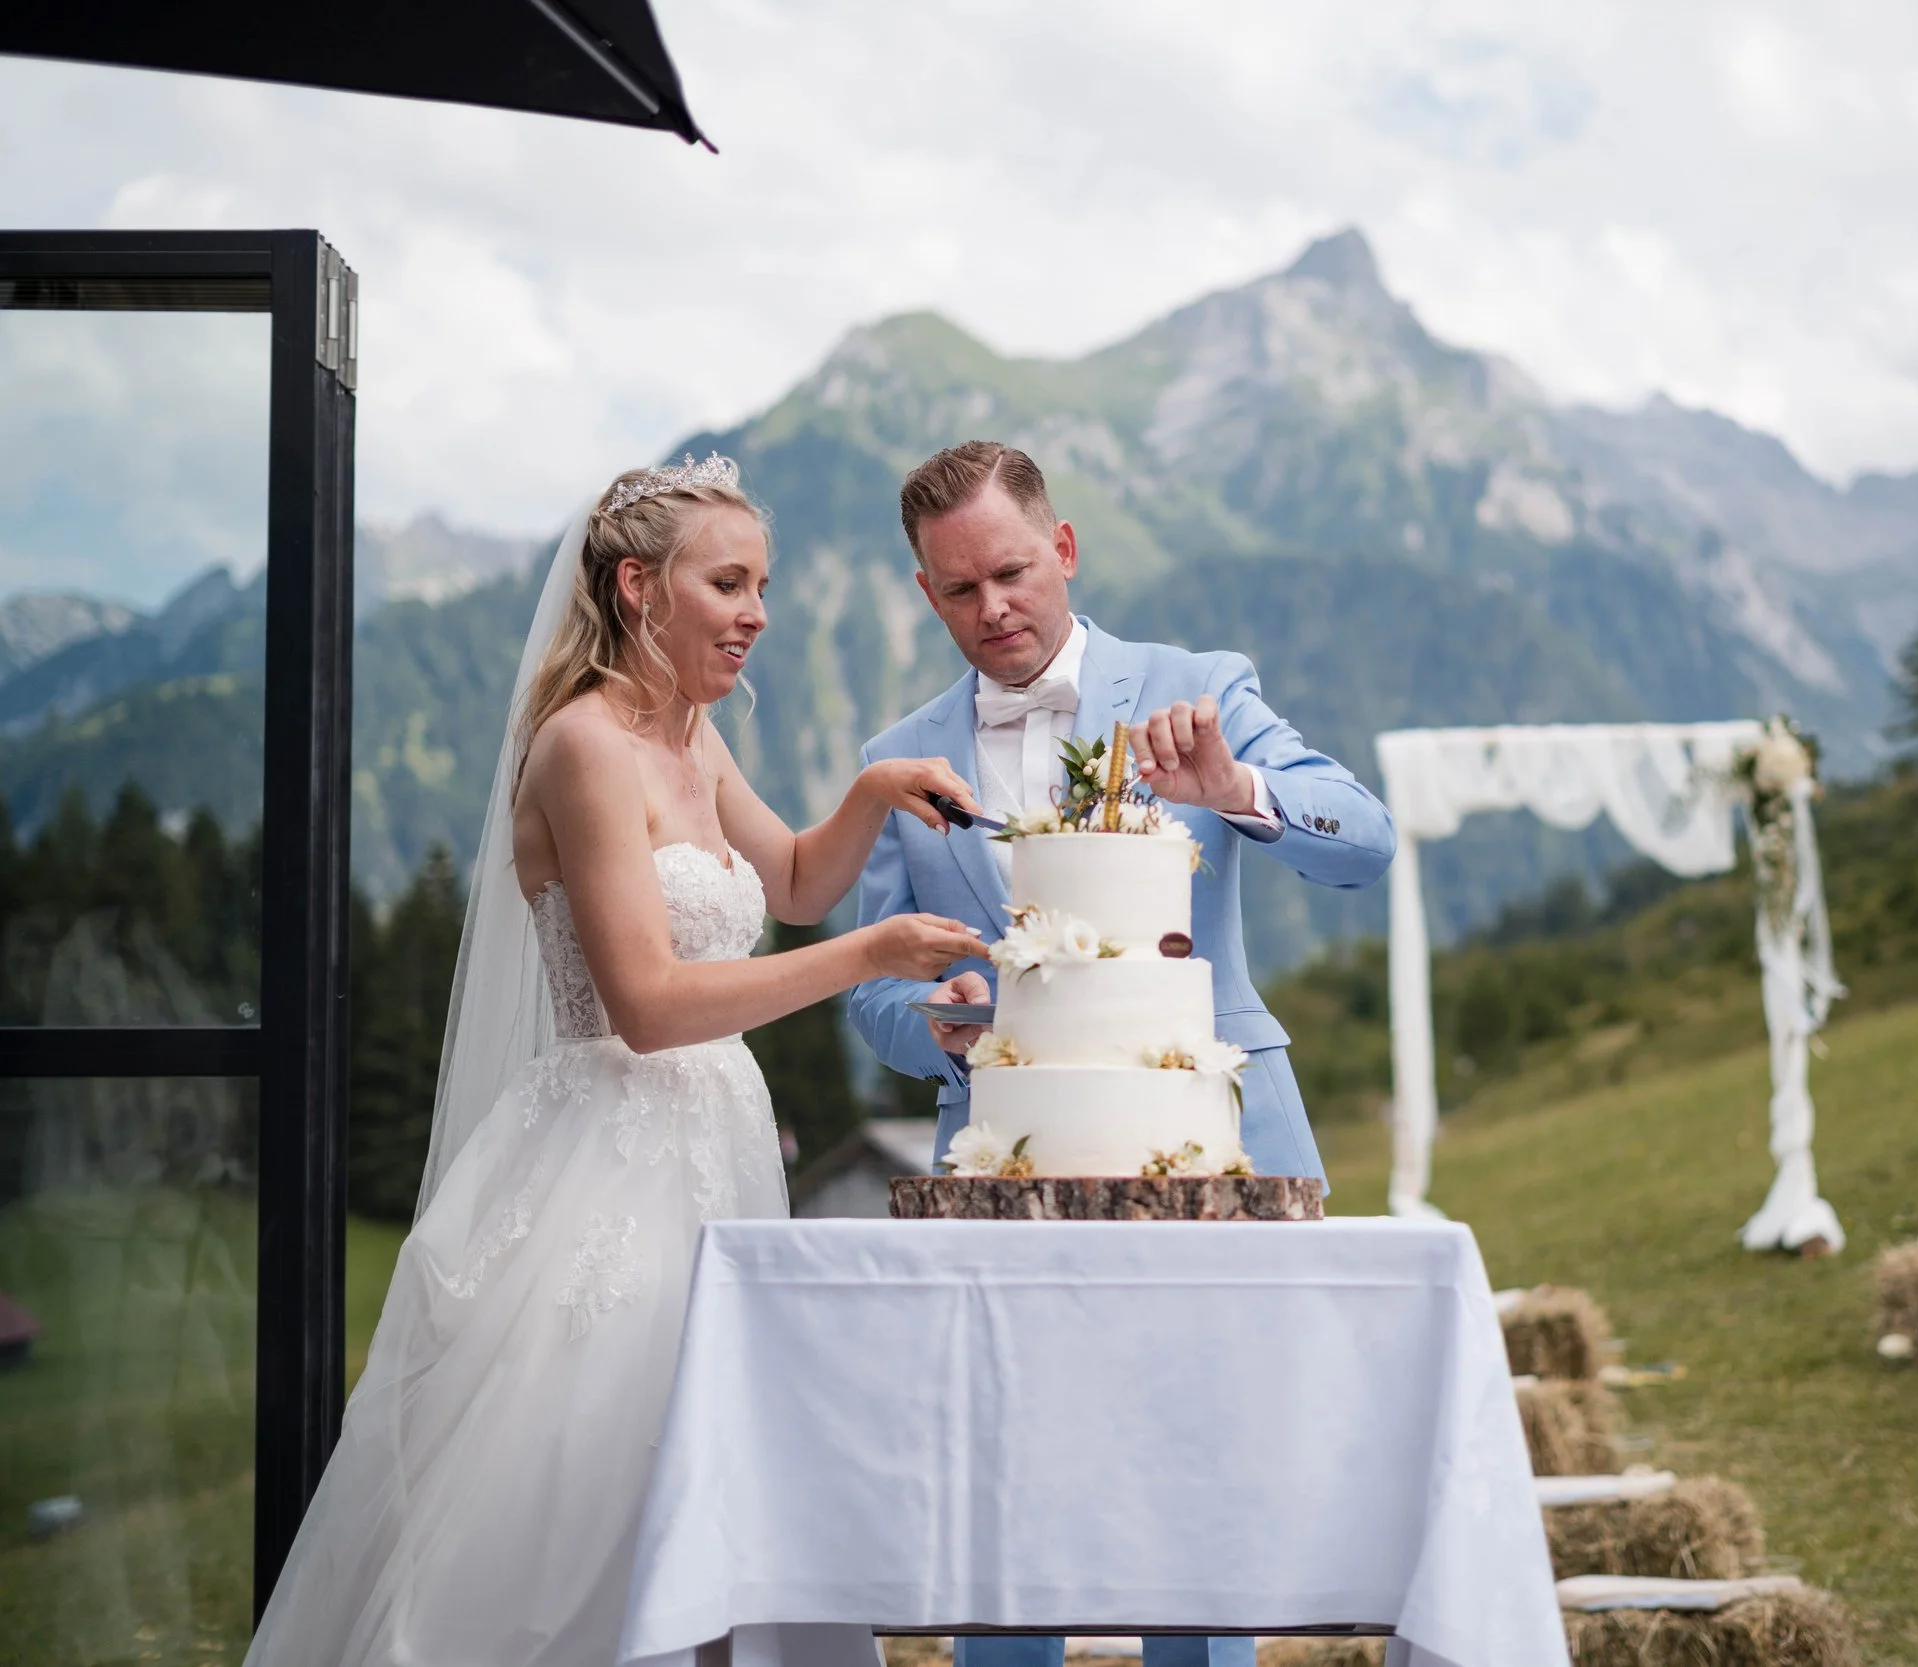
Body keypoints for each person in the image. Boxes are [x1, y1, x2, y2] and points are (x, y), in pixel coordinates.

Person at [243, 456, 988, 1667]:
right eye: (728, 583)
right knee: (599, 1483)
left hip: (719, 1149)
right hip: (609, 1167)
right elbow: (643, 1003)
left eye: (762, 585)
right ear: (640, 587)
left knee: (716, 1486)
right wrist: (870, 955)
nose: (757, 612)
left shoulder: (692, 737)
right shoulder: (584, 745)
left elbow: (796, 881)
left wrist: (871, 792)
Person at [848, 441, 1396, 1667]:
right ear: (926, 592)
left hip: (1212, 1143)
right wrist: (936, 1016)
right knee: (1009, 1484)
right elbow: (869, 995)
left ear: (1064, 548)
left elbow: (1365, 841)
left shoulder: (1197, 687)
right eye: (958, 589)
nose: (992, 608)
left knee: (1207, 1472)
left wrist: (1236, 783)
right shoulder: (902, 754)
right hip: (1004, 1163)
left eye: (1011, 572)